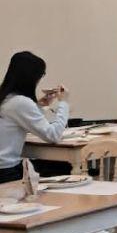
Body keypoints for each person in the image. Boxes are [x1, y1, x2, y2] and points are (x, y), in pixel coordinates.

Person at [0, 51, 70, 184]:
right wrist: (63, 103)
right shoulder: (20, 102)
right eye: (41, 75)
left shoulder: (6, 98)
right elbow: (53, 135)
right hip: (7, 173)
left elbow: (19, 120)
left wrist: (39, 105)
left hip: (5, 169)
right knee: (66, 167)